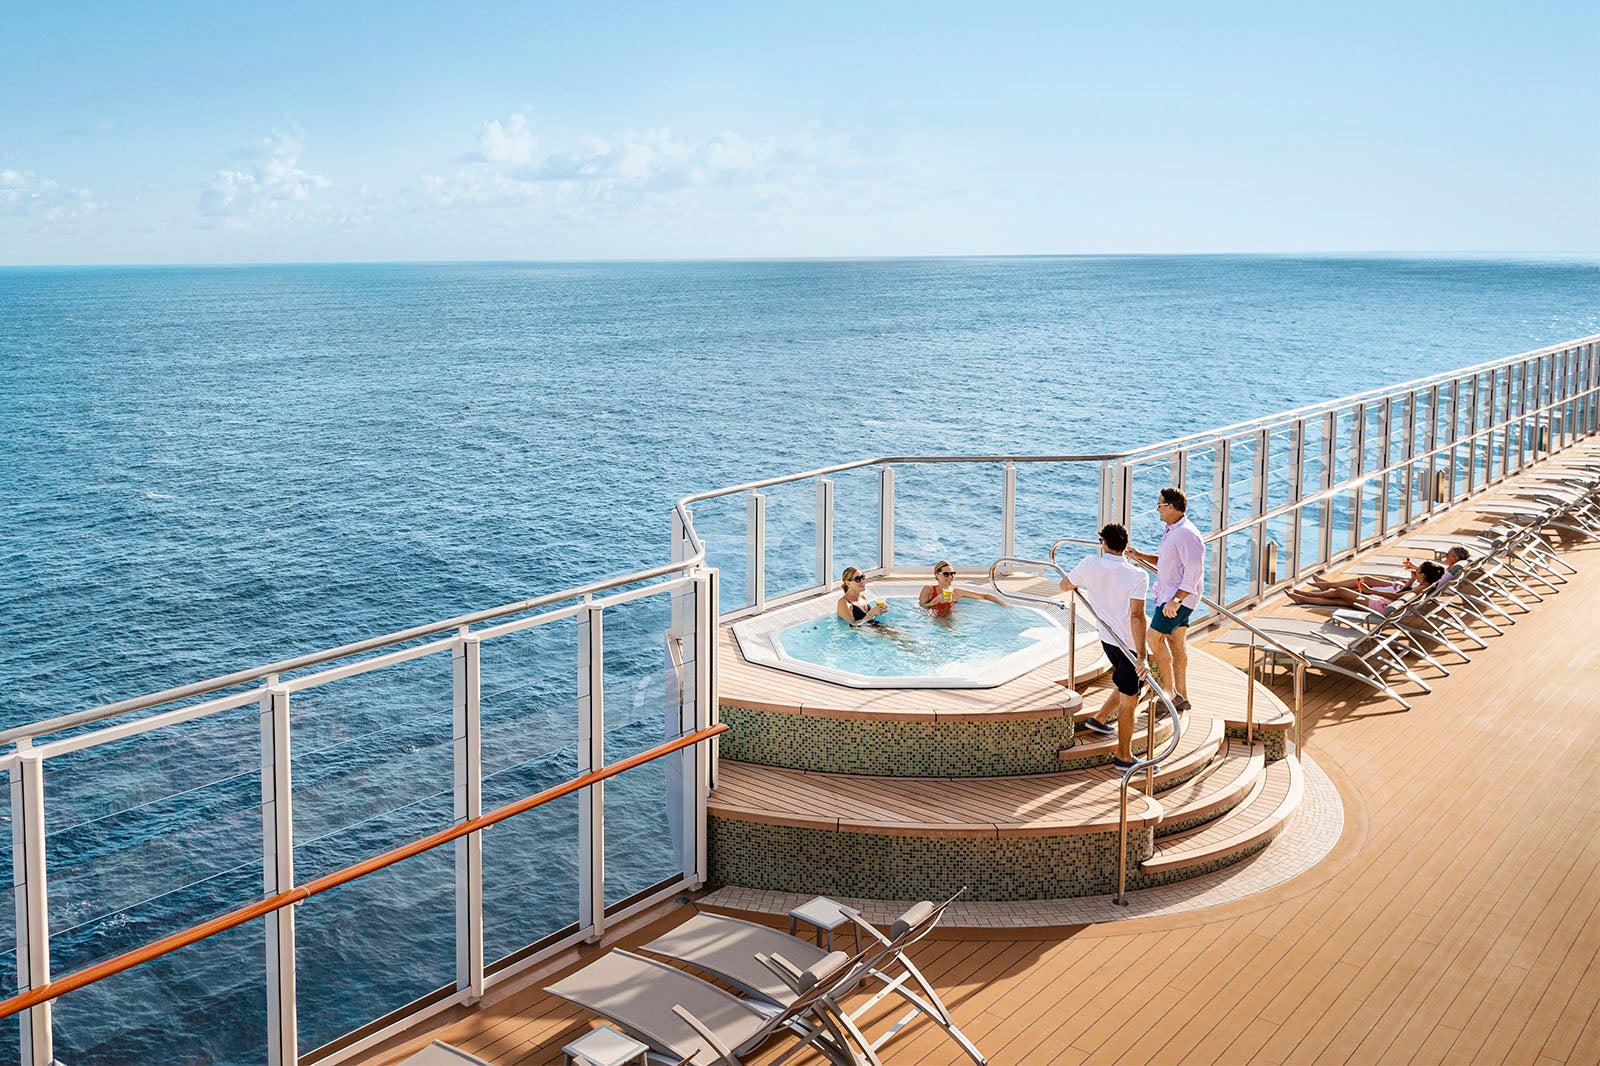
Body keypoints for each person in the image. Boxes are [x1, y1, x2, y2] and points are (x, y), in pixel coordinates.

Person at [1058, 523, 1149, 771]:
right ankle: (1123, 757)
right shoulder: (1138, 576)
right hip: (1129, 645)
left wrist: (1083, 584)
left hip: (1109, 641)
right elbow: (1137, 617)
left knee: (1126, 683)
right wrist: (1142, 656)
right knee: (1130, 700)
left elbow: (1064, 585)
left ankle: (1099, 719)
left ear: (1104, 543)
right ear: (1125, 545)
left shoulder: (1089, 564)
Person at [1126, 487, 1205, 714]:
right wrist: (1140, 556)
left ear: (1170, 507)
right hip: (1172, 596)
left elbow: (1194, 571)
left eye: (1159, 505)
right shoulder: (1173, 530)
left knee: (1153, 637)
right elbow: (1169, 561)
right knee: (1177, 643)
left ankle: (1168, 693)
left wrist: (1176, 601)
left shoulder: (1187, 534)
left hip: (1177, 599)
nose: (1157, 510)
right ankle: (1182, 695)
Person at [1288, 560, 1444, 612]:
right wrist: (1410, 580)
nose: (1415, 571)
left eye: (1418, 570)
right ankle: (1302, 599)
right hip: (1389, 605)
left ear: (1422, 575)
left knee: (1341, 592)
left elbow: (1397, 596)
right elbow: (1405, 592)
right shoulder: (1427, 585)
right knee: (1340, 600)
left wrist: (1371, 591)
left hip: (1382, 606)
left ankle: (1307, 595)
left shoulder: (1420, 588)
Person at [918, 560, 1010, 611]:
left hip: (950, 619)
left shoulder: (956, 592)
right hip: (932, 619)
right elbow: (921, 607)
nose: (950, 577)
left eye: (952, 573)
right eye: (946, 574)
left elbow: (985, 596)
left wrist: (1003, 604)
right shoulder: (928, 590)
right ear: (937, 575)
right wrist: (935, 601)